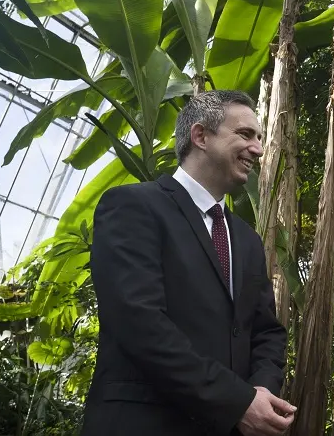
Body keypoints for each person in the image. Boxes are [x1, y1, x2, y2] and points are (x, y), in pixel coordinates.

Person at [82, 90, 294, 436]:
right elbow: (140, 322)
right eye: (245, 134)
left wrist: (261, 390)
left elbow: (266, 330)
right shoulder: (134, 207)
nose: (257, 148)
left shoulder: (246, 239)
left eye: (258, 138)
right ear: (201, 136)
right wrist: (236, 401)